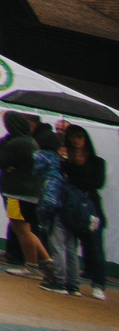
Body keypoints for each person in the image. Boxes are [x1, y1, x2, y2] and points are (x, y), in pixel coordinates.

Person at [0, 112, 52, 277]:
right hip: (27, 193)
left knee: (21, 230)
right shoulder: (30, 141)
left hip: (17, 193)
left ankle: (32, 265)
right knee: (27, 229)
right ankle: (47, 262)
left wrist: (2, 144)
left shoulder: (17, 143)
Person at [37, 124, 84, 294]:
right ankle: (73, 283)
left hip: (60, 205)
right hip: (74, 206)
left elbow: (48, 183)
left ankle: (59, 280)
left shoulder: (58, 162)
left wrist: (62, 162)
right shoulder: (81, 159)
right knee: (71, 246)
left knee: (58, 244)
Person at [63, 126, 107, 300]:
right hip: (71, 208)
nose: (76, 140)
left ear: (86, 139)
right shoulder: (65, 159)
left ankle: (98, 284)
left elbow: (97, 183)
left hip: (91, 209)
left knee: (95, 247)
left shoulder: (97, 161)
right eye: (72, 136)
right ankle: (71, 281)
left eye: (79, 136)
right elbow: (62, 179)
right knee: (70, 245)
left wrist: (73, 180)